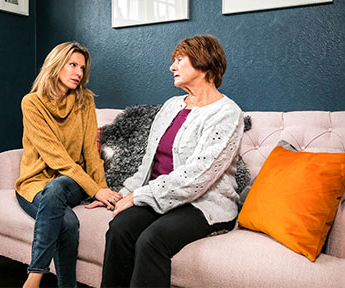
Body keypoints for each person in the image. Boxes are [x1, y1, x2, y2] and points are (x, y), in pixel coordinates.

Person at [100, 35, 244, 288]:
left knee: (151, 240)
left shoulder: (227, 113)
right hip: (160, 196)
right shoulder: (171, 106)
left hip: (204, 204)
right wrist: (121, 194)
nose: (172, 67)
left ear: (204, 62)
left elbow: (197, 177)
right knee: (120, 228)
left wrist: (137, 197)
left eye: (179, 60)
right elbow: (148, 164)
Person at [15, 42, 123, 288]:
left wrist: (101, 190)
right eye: (72, 65)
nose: (78, 72)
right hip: (33, 185)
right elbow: (55, 156)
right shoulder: (32, 103)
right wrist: (96, 189)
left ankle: (35, 275)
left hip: (72, 183)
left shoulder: (84, 101)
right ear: (55, 65)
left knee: (58, 186)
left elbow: (90, 153)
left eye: (82, 68)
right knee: (67, 223)